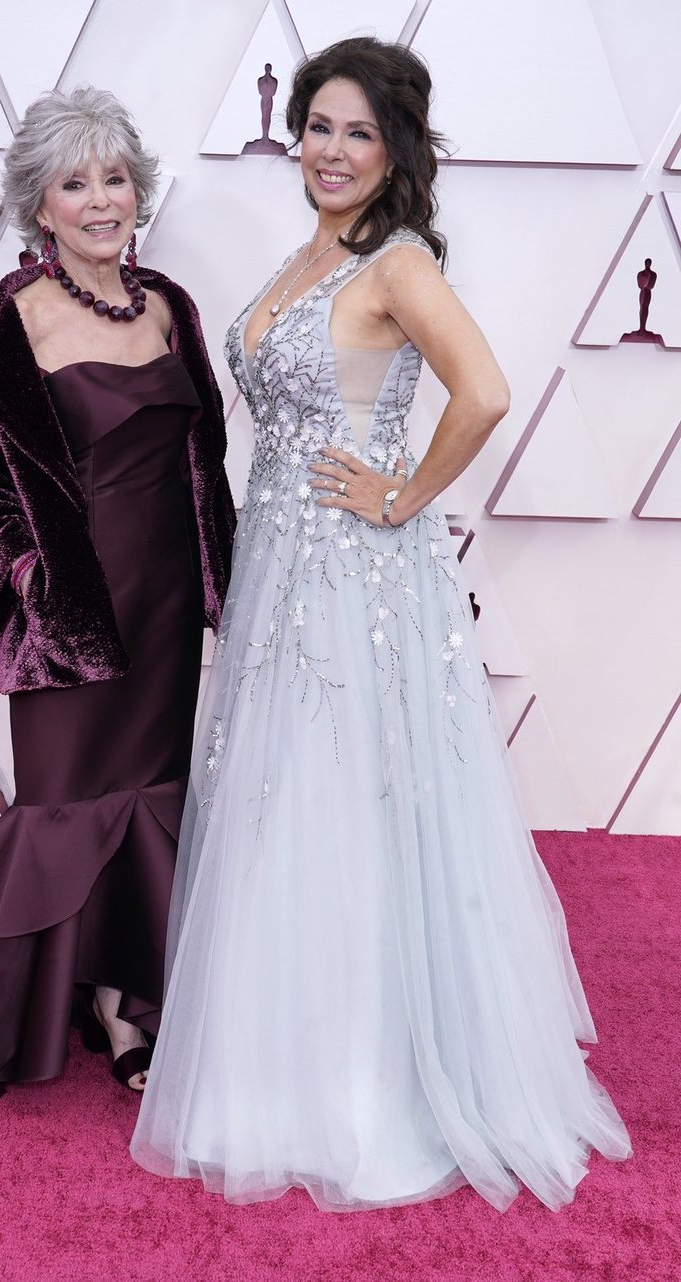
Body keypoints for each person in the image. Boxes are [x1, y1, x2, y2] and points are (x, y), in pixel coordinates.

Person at [130, 38, 630, 1211]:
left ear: (396, 149)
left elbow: (487, 390)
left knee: (343, 795)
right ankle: (269, 1071)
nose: (333, 150)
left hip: (357, 579)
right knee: (277, 794)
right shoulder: (309, 254)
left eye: (359, 132)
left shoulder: (397, 265)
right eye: (317, 127)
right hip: (279, 569)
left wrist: (403, 496)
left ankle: (356, 1084)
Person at [0, 86, 235, 1120]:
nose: (102, 200)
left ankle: (124, 1005)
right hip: (72, 615)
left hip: (164, 610)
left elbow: (204, 462)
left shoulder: (171, 306)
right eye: (76, 183)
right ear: (42, 205)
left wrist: (226, 585)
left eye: (115, 177)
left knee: (150, 802)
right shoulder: (4, 322)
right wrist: (26, 580)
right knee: (61, 811)